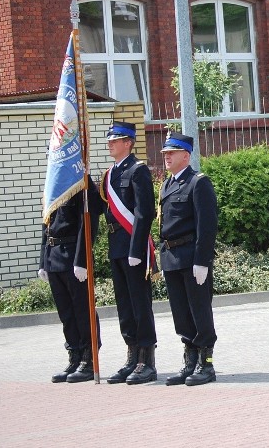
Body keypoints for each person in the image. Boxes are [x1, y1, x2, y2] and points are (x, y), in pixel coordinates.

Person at [159, 132, 219, 386]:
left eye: (171, 153)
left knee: (199, 312)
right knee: (181, 314)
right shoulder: (167, 185)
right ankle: (190, 362)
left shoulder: (198, 183)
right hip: (172, 258)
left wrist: (202, 260)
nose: (167, 157)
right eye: (165, 153)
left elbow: (207, 225)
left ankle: (206, 365)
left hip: (191, 258)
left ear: (186, 155)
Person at [101, 121, 158, 385]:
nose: (111, 143)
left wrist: (137, 248)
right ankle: (132, 356)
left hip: (132, 247)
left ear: (128, 142)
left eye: (116, 140)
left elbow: (144, 212)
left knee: (139, 304)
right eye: (110, 140)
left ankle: (147, 360)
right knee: (124, 306)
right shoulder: (109, 174)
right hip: (117, 245)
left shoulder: (138, 170)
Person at [39, 177, 104, 383]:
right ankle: (74, 355)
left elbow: (88, 222)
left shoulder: (81, 183)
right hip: (54, 256)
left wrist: (82, 260)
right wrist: (43, 261)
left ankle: (88, 359)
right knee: (66, 314)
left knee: (82, 309)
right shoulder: (54, 184)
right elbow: (46, 224)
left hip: (72, 256)